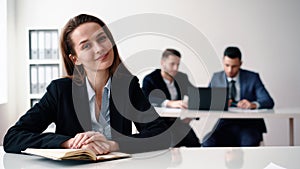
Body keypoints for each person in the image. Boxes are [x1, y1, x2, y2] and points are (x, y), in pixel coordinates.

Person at [3, 14, 171, 154]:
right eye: (86, 45)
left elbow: (162, 135)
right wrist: (69, 143)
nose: (99, 49)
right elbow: (13, 137)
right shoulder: (60, 91)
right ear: (75, 59)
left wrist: (114, 145)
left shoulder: (128, 87)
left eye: (102, 38)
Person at [202, 46, 274, 147]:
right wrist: (219, 103)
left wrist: (252, 105)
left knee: (248, 143)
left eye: (234, 66)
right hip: (225, 124)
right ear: (223, 61)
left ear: (240, 63)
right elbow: (207, 101)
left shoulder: (252, 77)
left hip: (249, 124)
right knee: (207, 142)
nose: (230, 70)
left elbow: (268, 101)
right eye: (227, 65)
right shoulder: (216, 77)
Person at [142, 48, 200, 147]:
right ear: (163, 63)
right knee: (170, 148)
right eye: (172, 64)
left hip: (178, 122)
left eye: (178, 64)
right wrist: (169, 103)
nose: (175, 68)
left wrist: (191, 115)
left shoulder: (181, 77)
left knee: (195, 144)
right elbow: (147, 98)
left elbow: (196, 95)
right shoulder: (150, 79)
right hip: (159, 124)